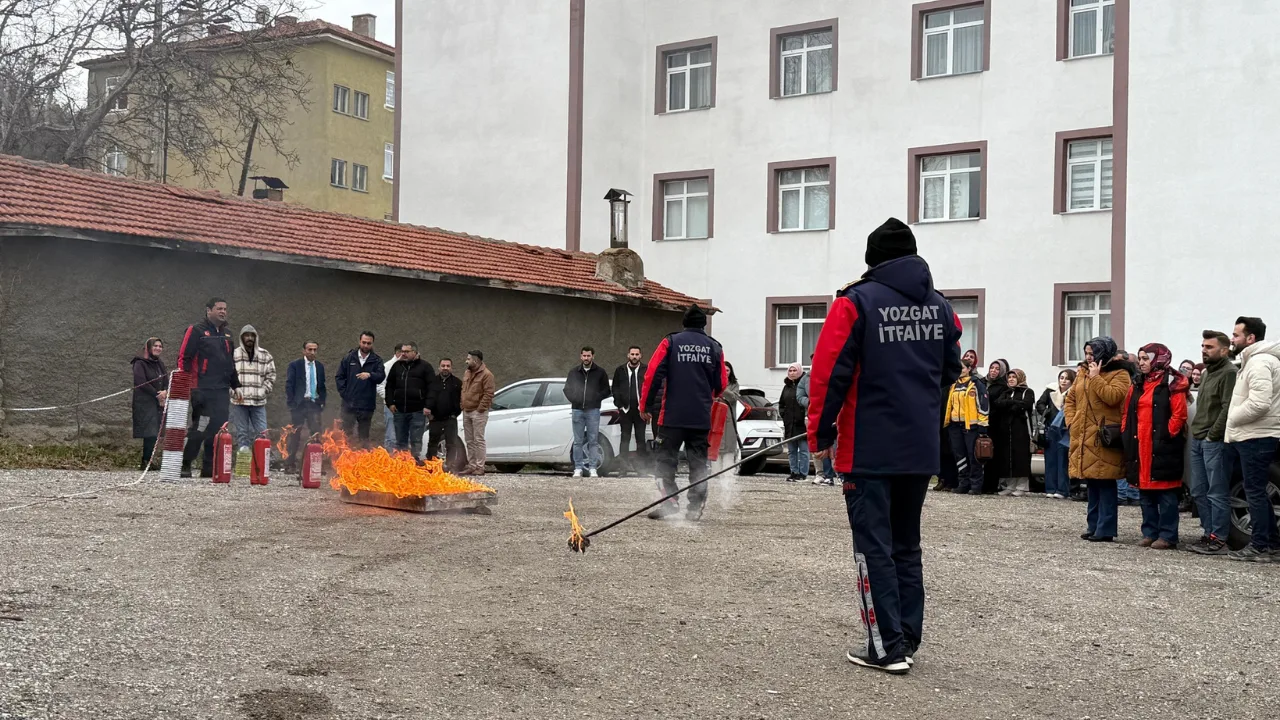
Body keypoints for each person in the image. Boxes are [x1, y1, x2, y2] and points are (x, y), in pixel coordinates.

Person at [807, 217, 962, 675]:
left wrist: (820, 434)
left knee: (873, 547)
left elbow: (829, 372)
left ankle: (885, 647)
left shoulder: (855, 302)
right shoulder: (941, 306)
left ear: (873, 259)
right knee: (905, 545)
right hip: (918, 446)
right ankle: (905, 638)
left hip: (868, 447)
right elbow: (950, 369)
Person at [642, 305, 727, 521]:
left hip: (672, 416)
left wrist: (645, 406)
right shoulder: (714, 347)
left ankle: (670, 502)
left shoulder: (670, 342)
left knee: (665, 461)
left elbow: (652, 375)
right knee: (698, 464)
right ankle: (695, 508)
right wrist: (706, 395)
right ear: (704, 325)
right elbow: (721, 383)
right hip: (700, 416)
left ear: (684, 323)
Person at [1121, 343, 1189, 550]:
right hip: (1140, 443)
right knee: (1145, 492)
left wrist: (1167, 434)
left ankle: (1168, 535)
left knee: (1166, 493)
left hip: (1162, 444)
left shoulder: (1172, 383)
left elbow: (1179, 415)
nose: (1141, 363)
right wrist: (1125, 432)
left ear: (1158, 359)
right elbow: (1126, 412)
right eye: (1140, 358)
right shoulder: (1138, 382)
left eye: (1145, 358)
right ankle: (1149, 532)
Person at [1065, 336, 1132, 543]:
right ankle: (1093, 525)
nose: (1088, 357)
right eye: (1086, 353)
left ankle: (1106, 529)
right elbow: (1071, 399)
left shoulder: (1120, 373)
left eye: (1092, 353)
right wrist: (1071, 421)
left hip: (1104, 436)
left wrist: (1096, 378)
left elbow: (1113, 397)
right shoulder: (1083, 372)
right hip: (1084, 434)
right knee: (1092, 483)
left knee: (1105, 482)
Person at [1225, 316, 1280, 562]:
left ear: (1250, 338)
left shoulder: (1259, 362)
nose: (1232, 339)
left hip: (1256, 435)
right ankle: (1271, 544)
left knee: (1255, 493)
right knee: (1257, 491)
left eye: (1236, 335)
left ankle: (1259, 546)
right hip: (1257, 433)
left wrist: (1233, 417)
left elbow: (1259, 403)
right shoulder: (1257, 360)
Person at [178, 297, 239, 478]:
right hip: (202, 389)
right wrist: (186, 383)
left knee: (218, 428)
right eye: (219, 308)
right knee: (200, 427)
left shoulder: (228, 334)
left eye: (225, 309)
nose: (223, 312)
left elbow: (230, 363)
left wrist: (236, 385)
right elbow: (184, 358)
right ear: (208, 310)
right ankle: (186, 464)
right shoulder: (196, 330)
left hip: (221, 390)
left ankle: (208, 467)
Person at [1187, 331, 1236, 555]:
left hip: (1213, 441)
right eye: (1203, 346)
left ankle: (1219, 539)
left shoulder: (1229, 372)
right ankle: (1208, 534)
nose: (1204, 350)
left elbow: (1228, 407)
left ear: (1224, 350)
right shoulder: (1207, 373)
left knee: (1217, 492)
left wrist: (1213, 435)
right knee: (1198, 491)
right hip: (1198, 438)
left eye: (1209, 347)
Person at [230, 325, 276, 473]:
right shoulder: (233, 354)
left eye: (252, 335)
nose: (249, 338)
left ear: (256, 337)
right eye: (246, 335)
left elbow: (271, 375)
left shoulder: (265, 355)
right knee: (242, 434)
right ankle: (244, 468)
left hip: (258, 402)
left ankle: (261, 466)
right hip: (239, 402)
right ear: (241, 337)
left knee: (262, 433)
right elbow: (226, 374)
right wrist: (232, 391)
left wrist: (264, 390)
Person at [944, 357, 989, 496]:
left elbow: (983, 405)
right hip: (955, 425)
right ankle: (963, 483)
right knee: (960, 455)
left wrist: (983, 424)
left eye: (962, 368)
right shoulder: (954, 384)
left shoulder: (976, 384)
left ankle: (976, 485)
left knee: (973, 456)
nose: (960, 371)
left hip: (971, 426)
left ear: (969, 369)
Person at [384, 342, 437, 460]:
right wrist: (390, 403)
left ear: (414, 352)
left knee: (415, 440)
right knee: (400, 440)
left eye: (406, 352)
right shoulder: (396, 366)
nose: (403, 354)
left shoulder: (425, 367)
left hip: (417, 411)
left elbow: (432, 388)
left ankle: (415, 461)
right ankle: (402, 463)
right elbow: (389, 386)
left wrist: (428, 406)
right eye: (402, 351)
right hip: (399, 411)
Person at [565, 346, 611, 478]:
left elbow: (606, 390)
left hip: (593, 410)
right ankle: (578, 468)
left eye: (588, 356)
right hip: (577, 410)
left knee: (593, 440)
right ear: (581, 356)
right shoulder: (574, 372)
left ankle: (592, 468)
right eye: (584, 356)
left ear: (593, 356)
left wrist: (595, 398)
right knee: (578, 441)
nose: (586, 358)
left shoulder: (600, 372)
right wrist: (575, 399)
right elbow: (567, 389)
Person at [335, 331, 385, 446]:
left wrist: (370, 375)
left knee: (364, 437)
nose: (366, 345)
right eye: (364, 342)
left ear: (372, 344)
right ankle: (346, 456)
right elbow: (339, 377)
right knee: (346, 435)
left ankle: (363, 456)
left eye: (369, 343)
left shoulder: (376, 360)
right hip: (349, 404)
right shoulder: (349, 358)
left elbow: (381, 376)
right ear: (359, 342)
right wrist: (345, 394)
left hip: (367, 405)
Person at [284, 341, 326, 472]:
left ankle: (316, 465)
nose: (312, 352)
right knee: (295, 434)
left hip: (314, 404)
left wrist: (322, 401)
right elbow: (289, 384)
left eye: (315, 350)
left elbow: (322, 385)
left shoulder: (319, 366)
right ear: (304, 351)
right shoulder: (295, 365)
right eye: (309, 349)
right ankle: (290, 464)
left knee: (316, 434)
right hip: (299, 404)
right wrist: (292, 403)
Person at [1036, 369, 1076, 499]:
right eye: (1061, 378)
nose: (1063, 381)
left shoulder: (1074, 392)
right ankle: (1050, 488)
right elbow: (1039, 404)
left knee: (1063, 461)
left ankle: (1062, 490)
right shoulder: (1050, 391)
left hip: (1065, 430)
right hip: (1051, 428)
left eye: (1067, 378)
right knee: (1050, 460)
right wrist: (1046, 412)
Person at [131, 337, 169, 472]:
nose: (158, 348)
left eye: (160, 346)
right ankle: (146, 461)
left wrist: (165, 391)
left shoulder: (160, 364)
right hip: (145, 402)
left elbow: (166, 380)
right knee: (149, 432)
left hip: (158, 402)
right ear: (148, 348)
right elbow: (141, 382)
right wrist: (157, 394)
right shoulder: (140, 363)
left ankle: (149, 460)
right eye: (155, 346)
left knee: (155, 432)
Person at [996, 369, 1035, 496]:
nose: (1011, 379)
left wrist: (1011, 405)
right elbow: (998, 403)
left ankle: (1022, 486)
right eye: (1009, 377)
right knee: (1008, 457)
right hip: (1007, 430)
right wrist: (1012, 403)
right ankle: (1010, 485)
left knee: (1021, 457)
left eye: (1014, 377)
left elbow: (1026, 404)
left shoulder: (1027, 391)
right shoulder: (1006, 392)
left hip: (1021, 429)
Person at [611, 346, 649, 473]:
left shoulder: (646, 369)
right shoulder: (620, 370)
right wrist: (619, 405)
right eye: (632, 354)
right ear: (628, 355)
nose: (634, 356)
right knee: (624, 439)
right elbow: (615, 388)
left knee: (641, 439)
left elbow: (650, 387)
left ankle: (642, 469)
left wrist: (647, 407)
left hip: (640, 410)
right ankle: (623, 469)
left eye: (637, 354)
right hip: (625, 410)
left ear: (640, 355)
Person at [461, 350, 495, 476]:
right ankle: (472, 465)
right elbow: (463, 389)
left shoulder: (487, 375)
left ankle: (480, 467)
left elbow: (489, 393)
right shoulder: (467, 372)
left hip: (478, 412)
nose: (466, 361)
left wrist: (480, 409)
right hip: (467, 410)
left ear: (475, 360)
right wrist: (462, 404)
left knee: (478, 440)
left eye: (468, 359)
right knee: (469, 440)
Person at [427, 358, 463, 467]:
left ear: (451, 368)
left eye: (448, 366)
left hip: (450, 419)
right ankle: (431, 465)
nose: (445, 368)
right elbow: (426, 398)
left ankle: (450, 465)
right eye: (443, 366)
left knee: (451, 443)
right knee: (433, 442)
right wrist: (429, 414)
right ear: (439, 367)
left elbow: (462, 400)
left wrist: (456, 413)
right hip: (435, 418)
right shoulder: (432, 382)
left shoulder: (457, 383)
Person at [779, 362, 811, 482]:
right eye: (790, 371)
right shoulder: (786, 386)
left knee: (803, 450)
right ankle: (794, 472)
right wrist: (784, 415)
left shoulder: (804, 384)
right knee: (791, 450)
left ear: (800, 371)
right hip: (789, 424)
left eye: (794, 370)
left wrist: (805, 416)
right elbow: (782, 404)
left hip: (801, 423)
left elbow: (808, 401)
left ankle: (803, 473)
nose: (792, 373)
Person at [710, 361, 743, 478]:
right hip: (715, 420)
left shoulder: (734, 384)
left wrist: (722, 387)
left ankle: (728, 475)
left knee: (729, 450)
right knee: (715, 448)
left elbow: (733, 397)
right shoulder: (712, 382)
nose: (725, 372)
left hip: (729, 422)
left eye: (728, 370)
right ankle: (715, 474)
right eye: (723, 370)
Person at [983, 360, 1011, 494]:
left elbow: (998, 404)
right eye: (992, 367)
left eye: (997, 369)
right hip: (980, 422)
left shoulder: (1003, 386)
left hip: (995, 424)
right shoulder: (982, 382)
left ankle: (991, 485)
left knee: (992, 454)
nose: (993, 371)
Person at [378, 344, 405, 450]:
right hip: (391, 407)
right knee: (391, 436)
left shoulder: (409, 367)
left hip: (406, 407)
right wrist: (390, 400)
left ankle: (403, 458)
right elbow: (380, 386)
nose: (405, 355)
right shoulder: (387, 366)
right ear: (398, 353)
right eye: (403, 352)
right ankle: (389, 457)